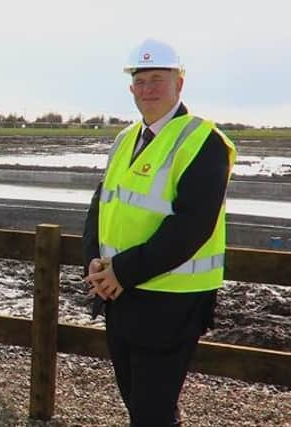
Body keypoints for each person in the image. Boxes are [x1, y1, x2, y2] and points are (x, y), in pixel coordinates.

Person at [82, 39, 236, 426]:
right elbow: (101, 204)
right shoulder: (124, 139)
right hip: (119, 294)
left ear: (179, 83)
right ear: (131, 88)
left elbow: (191, 226)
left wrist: (122, 272)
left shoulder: (204, 141)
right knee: (138, 401)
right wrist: (95, 264)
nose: (148, 89)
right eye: (141, 81)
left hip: (171, 300)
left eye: (158, 79)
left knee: (151, 409)